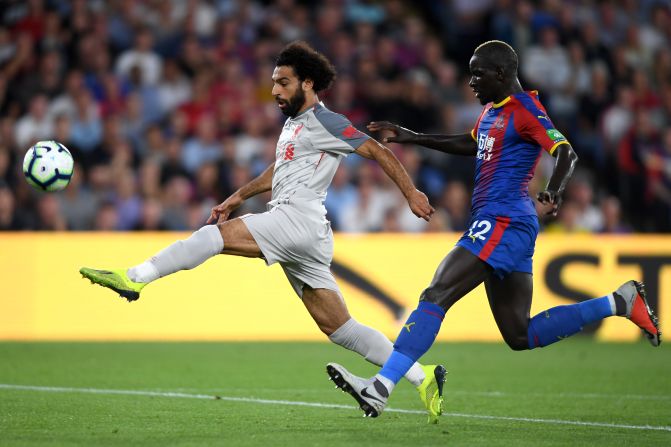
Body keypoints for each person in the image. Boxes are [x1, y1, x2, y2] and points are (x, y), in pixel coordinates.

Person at [79, 41, 446, 423]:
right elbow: (278, 171)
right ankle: (423, 379)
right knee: (340, 329)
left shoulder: (327, 121)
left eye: (283, 83)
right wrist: (237, 196)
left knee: (211, 237)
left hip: (297, 220)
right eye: (274, 82)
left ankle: (135, 277)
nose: (275, 91)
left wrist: (411, 192)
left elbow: (377, 151)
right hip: (307, 233)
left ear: (307, 83)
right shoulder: (293, 125)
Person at [326, 40, 661, 419]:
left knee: (437, 292)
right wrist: (410, 136)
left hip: (505, 219)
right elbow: (472, 144)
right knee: (520, 335)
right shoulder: (491, 111)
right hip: (505, 224)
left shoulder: (526, 109)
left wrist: (555, 189)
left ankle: (380, 387)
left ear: (501, 74)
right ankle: (619, 302)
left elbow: (566, 151)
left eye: (477, 73)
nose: (471, 82)